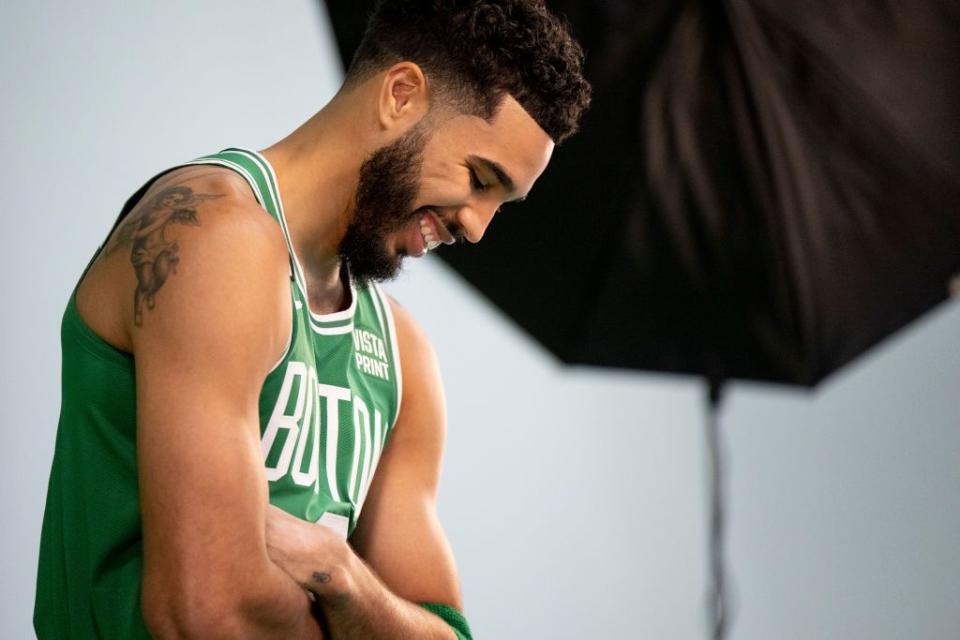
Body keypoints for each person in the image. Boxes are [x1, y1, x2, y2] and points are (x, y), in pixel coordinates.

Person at [34, 1, 590, 637]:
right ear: (401, 95)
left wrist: (340, 574)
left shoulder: (401, 353)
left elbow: (447, 632)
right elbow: (207, 614)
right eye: (479, 178)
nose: (477, 225)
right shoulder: (213, 238)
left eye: (502, 203)